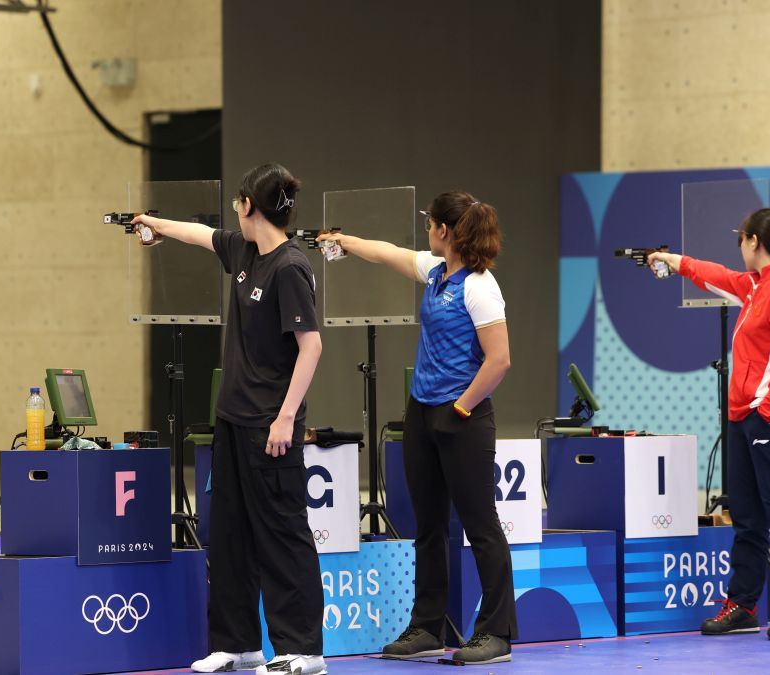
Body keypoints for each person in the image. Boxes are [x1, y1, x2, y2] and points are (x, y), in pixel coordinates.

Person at [133, 163, 327, 674]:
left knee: (283, 538)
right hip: (233, 423)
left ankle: (303, 651)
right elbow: (201, 235)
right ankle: (238, 643)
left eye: (237, 204)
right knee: (231, 536)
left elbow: (312, 348)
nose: (232, 212)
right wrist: (153, 224)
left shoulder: (289, 268)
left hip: (271, 428)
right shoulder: (244, 252)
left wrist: (286, 418)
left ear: (248, 206)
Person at [317, 191, 516, 664]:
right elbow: (390, 253)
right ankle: (427, 627)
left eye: (429, 224)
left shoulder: (480, 286)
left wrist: (462, 409)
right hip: (423, 413)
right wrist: (343, 242)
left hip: (463, 417)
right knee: (428, 526)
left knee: (480, 524)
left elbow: (500, 360)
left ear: (444, 231)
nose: (425, 231)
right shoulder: (435, 271)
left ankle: (497, 633)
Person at [648, 207, 770, 640]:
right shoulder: (758, 285)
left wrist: (766, 411)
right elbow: (720, 277)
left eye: (739, 240)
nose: (738, 248)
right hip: (748, 419)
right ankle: (744, 605)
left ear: (754, 243)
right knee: (747, 518)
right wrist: (676, 262)